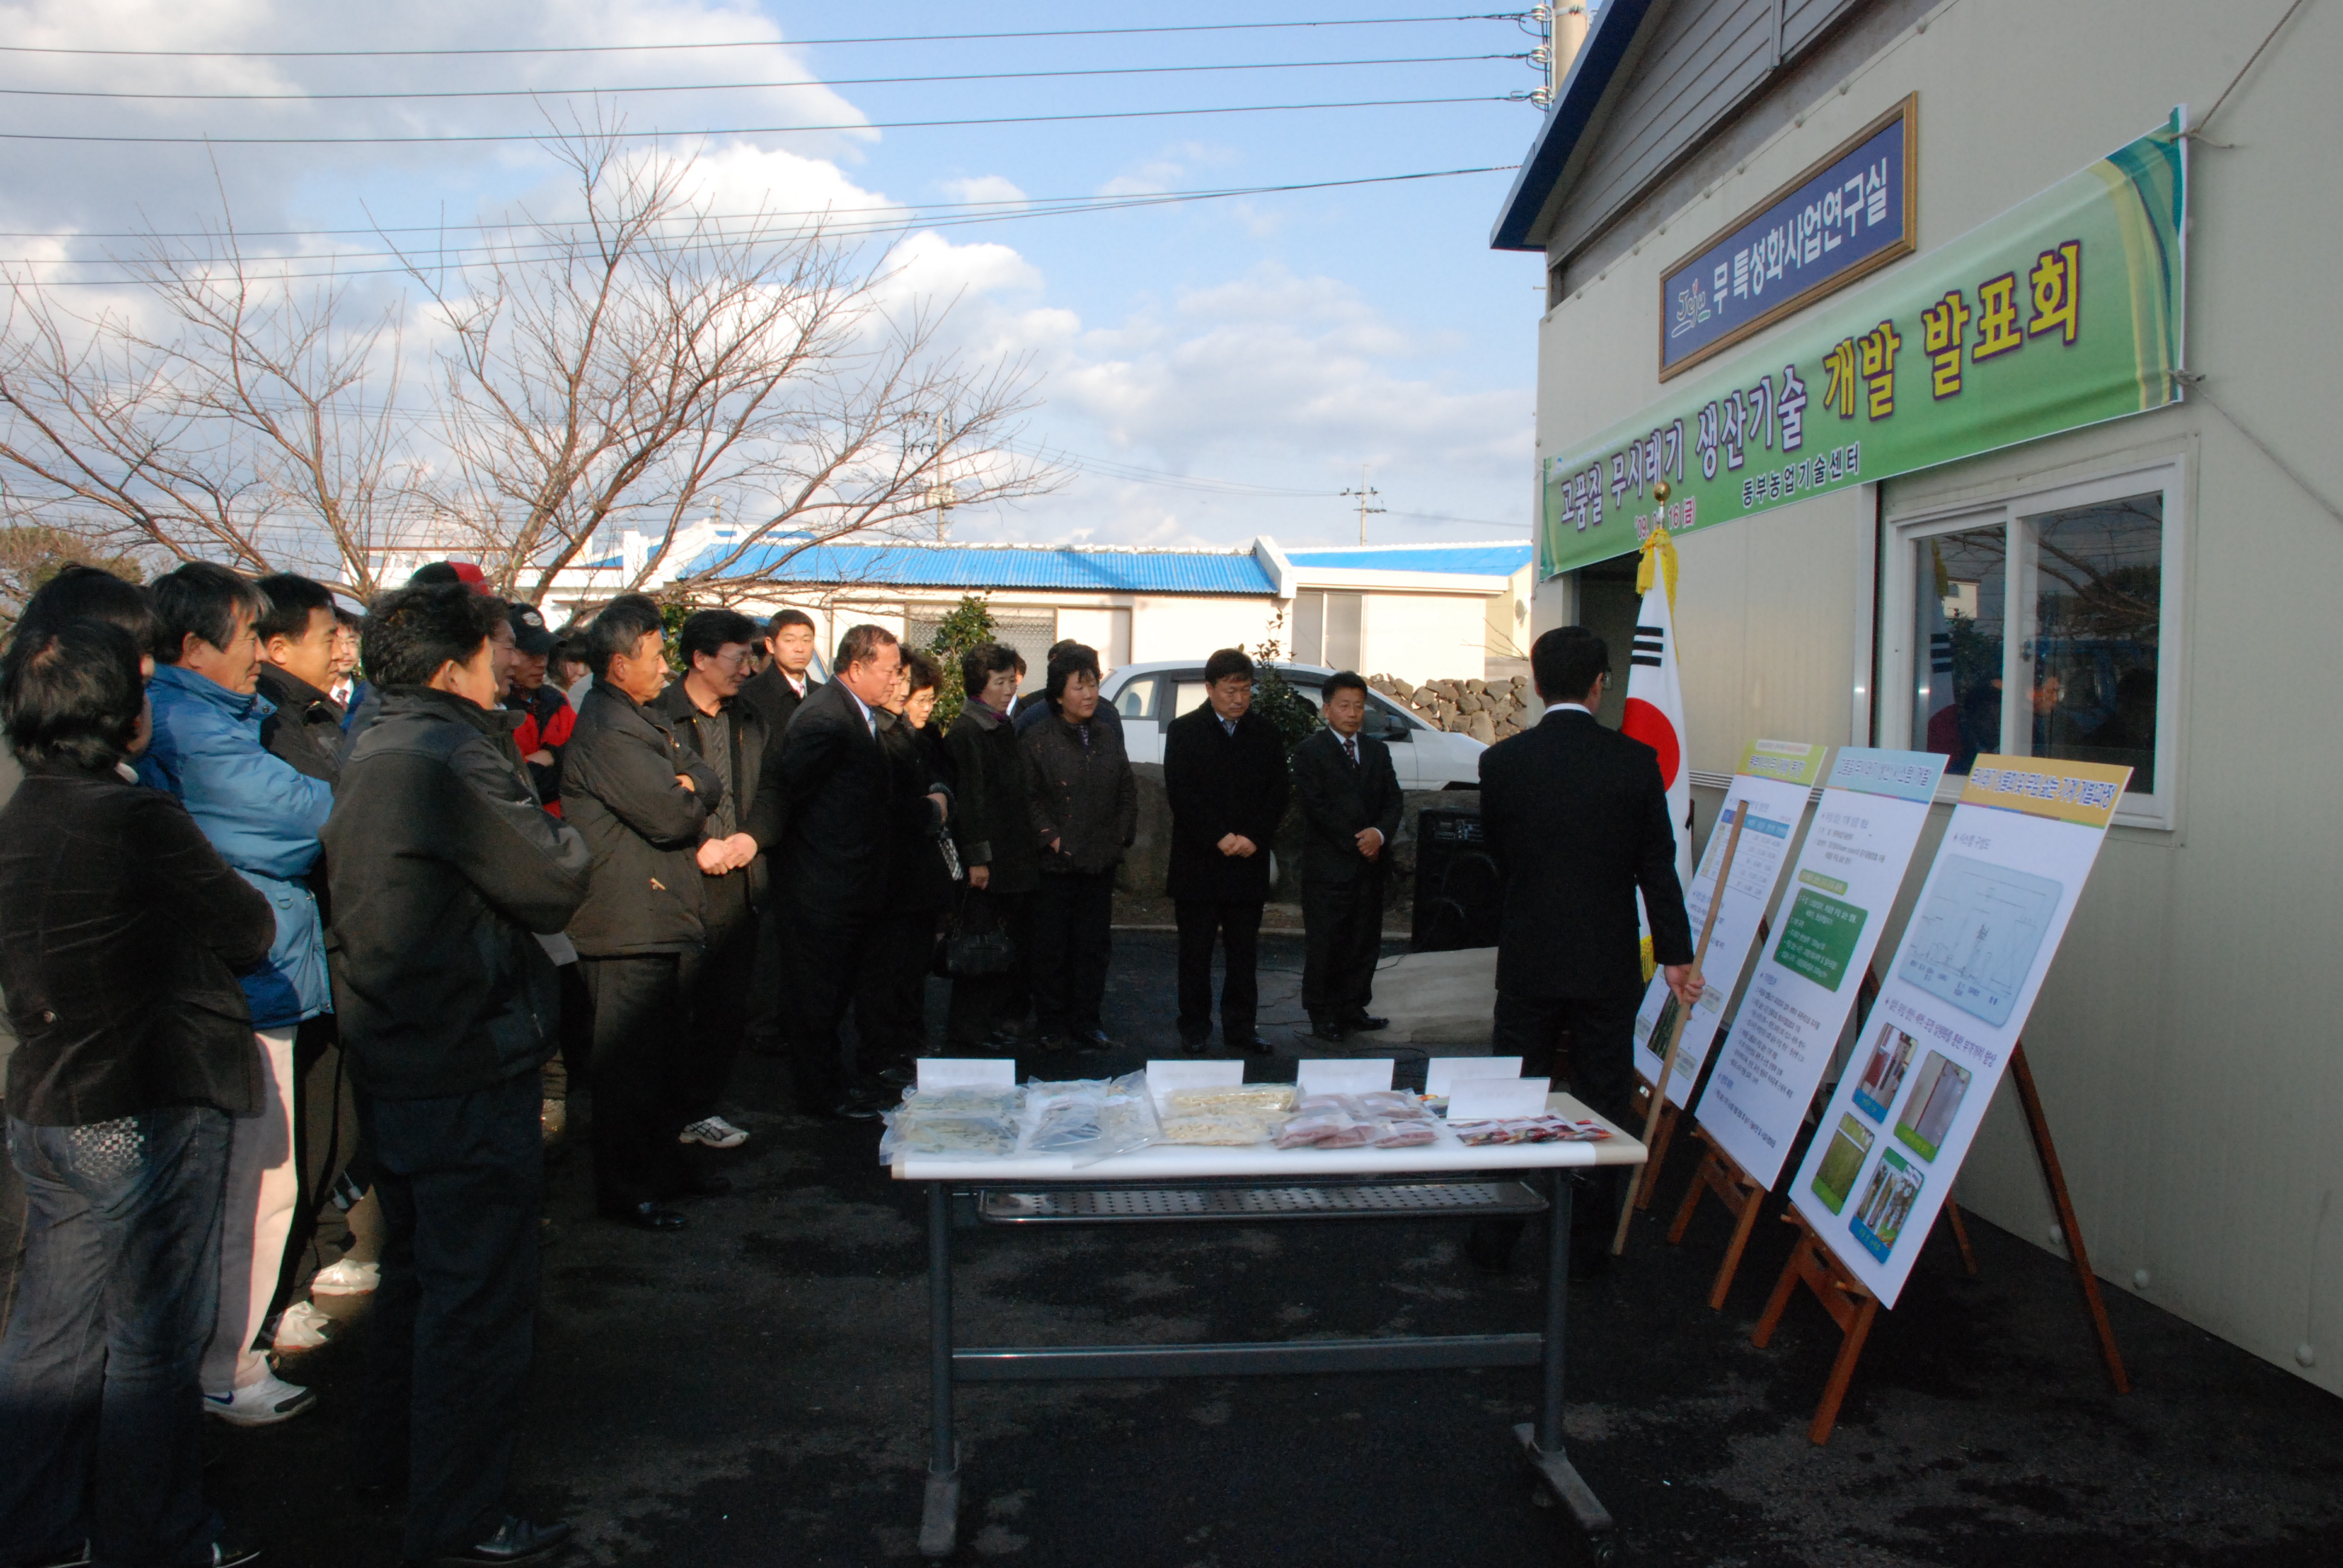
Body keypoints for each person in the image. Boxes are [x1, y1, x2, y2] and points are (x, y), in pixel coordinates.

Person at [322, 581, 592, 1567]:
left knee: (416, 1277)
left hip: (394, 1044)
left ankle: (393, 1463)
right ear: (452, 666)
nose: (506, 666)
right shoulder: (451, 754)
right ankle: (462, 1513)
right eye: (493, 651)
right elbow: (555, 870)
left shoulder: (373, 736)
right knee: (477, 1299)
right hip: (465, 1051)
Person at [0, 617, 273, 1568]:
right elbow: (247, 928)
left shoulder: (30, 806)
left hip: (49, 1099)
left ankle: (39, 1527)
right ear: (116, 714)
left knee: (51, 1334)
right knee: (154, 1336)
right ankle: (159, 1533)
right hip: (145, 1098)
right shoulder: (133, 816)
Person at [138, 561, 335, 1426]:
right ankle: (227, 1367)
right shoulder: (190, 728)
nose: (263, 654)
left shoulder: (210, 718)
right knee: (256, 1186)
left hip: (253, 976)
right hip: (242, 988)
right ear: (192, 646)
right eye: (250, 636)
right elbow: (302, 822)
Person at [1471, 626, 1703, 1276]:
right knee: (1602, 1100)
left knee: (1511, 1094)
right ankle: (1585, 1249)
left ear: (1538, 685)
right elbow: (1658, 866)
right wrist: (1676, 955)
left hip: (1529, 955)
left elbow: (1499, 855)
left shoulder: (1501, 763)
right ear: (1600, 684)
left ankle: (1495, 1239)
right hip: (1605, 960)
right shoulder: (1633, 763)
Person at [560, 594, 726, 1231]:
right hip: (624, 922)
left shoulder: (639, 717)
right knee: (627, 1072)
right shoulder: (607, 730)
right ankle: (626, 1190)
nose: (665, 668)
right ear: (618, 663)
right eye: (656, 656)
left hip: (655, 914)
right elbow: (669, 814)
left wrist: (690, 785)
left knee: (661, 1065)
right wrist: (686, 790)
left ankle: (660, 1171)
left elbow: (702, 780)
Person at [772, 624, 946, 1117]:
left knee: (838, 996)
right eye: (889, 670)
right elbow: (796, 796)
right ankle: (821, 1096)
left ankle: (838, 1084)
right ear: (856, 668)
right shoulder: (824, 719)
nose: (896, 681)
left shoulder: (859, 714)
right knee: (818, 1001)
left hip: (854, 881)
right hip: (825, 884)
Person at [650, 609, 781, 1153]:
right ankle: (665, 1118)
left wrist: (753, 838)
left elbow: (776, 789)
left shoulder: (750, 718)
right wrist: (695, 843)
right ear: (700, 658)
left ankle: (703, 1108)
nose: (748, 668)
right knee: (673, 1010)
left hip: (742, 877)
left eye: (752, 656)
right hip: (679, 881)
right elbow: (649, 799)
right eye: (738, 657)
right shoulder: (657, 719)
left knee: (726, 1007)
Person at [1162, 648, 1289, 1054]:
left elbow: (1278, 794)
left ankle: (1241, 1027)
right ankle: (1195, 1027)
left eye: (1246, 690)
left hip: (1247, 860)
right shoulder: (1185, 731)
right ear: (1210, 688)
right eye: (1231, 690)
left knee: (1243, 952)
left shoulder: (1267, 733)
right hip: (1199, 860)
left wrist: (1253, 835)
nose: (1239, 699)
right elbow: (1182, 793)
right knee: (1195, 953)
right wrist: (1218, 836)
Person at [1022, 645, 1136, 1051]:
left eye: (1092, 686)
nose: (1089, 695)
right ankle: (1050, 1022)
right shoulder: (1037, 737)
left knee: (1093, 948)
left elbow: (1126, 787)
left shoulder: (1106, 734)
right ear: (1059, 694)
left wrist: (1120, 834)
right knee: (1052, 947)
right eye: (1079, 687)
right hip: (1056, 863)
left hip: (1100, 860)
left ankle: (1088, 1020)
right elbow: (1029, 797)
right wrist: (1052, 838)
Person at [853, 650, 958, 1078]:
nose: (903, 693)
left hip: (921, 871)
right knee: (885, 971)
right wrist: (930, 808)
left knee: (914, 967)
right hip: (889, 872)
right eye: (900, 684)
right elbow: (886, 805)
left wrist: (939, 797)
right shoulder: (875, 732)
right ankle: (881, 1052)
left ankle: (908, 1042)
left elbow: (946, 781)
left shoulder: (921, 735)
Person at [1293, 670, 1402, 1042]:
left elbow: (1393, 800)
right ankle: (1322, 1012)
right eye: (1344, 705)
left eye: (1359, 706)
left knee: (1363, 939)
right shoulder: (1309, 752)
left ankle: (1354, 1006)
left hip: (1371, 863)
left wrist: (1379, 835)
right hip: (1329, 864)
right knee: (1327, 941)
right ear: (1327, 709)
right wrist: (1358, 840)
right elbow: (1316, 807)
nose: (1353, 713)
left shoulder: (1377, 750)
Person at [943, 642, 1040, 1052]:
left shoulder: (1001, 725)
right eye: (1000, 682)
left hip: (1013, 857)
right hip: (990, 862)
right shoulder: (968, 731)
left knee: (1004, 947)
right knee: (979, 947)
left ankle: (993, 1022)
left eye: (1011, 681)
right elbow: (971, 799)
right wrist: (978, 858)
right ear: (979, 686)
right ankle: (969, 1029)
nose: (1009, 689)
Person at [254, 572, 347, 787]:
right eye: (329, 640)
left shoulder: (319, 710)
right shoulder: (268, 723)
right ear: (279, 650)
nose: (340, 653)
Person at [503, 602, 575, 814]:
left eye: (544, 653)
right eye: (531, 654)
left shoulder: (555, 700)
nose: (542, 662)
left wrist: (550, 756)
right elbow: (512, 786)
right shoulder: (494, 708)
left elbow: (587, 757)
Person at [735, 607, 822, 736]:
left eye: (806, 640)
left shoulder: (823, 695)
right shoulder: (749, 694)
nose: (800, 649)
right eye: (790, 641)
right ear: (771, 645)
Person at [329, 607, 364, 713]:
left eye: (351, 642)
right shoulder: (311, 699)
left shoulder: (370, 695)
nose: (346, 651)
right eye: (338, 642)